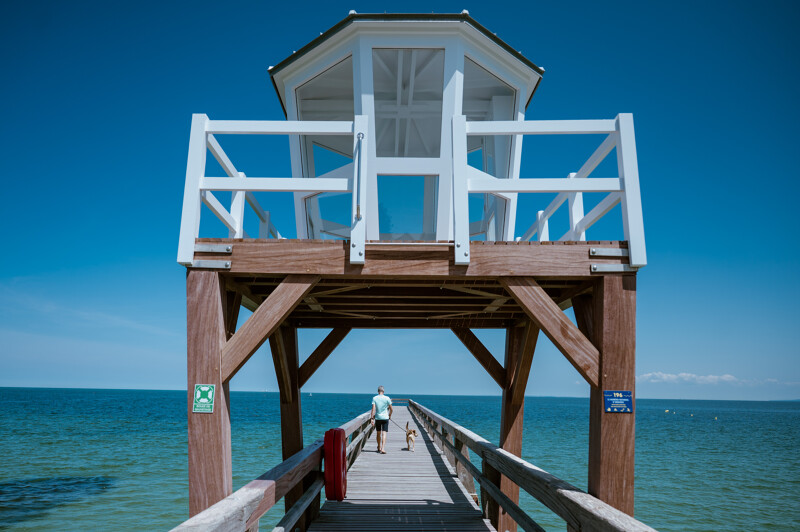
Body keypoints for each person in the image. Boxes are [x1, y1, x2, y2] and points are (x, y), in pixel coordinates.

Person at [370, 385, 393, 454]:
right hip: (385, 418)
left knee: (378, 433)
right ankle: (383, 448)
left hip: (378, 418)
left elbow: (373, 409)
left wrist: (372, 418)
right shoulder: (387, 398)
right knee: (384, 433)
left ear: (378, 391)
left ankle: (379, 446)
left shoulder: (374, 398)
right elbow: (391, 409)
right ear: (383, 391)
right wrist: (389, 415)